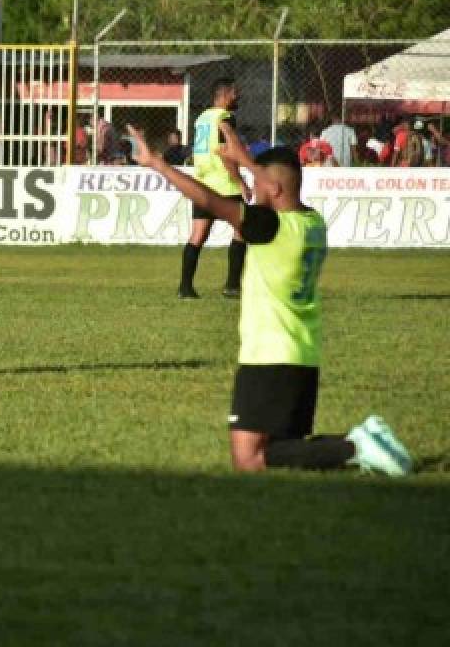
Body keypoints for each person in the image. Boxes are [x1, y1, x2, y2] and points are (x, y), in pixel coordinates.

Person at [126, 121, 413, 476]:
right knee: (278, 450)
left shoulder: (270, 228)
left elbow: (209, 201)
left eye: (258, 183)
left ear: (273, 189)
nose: (250, 189)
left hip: (269, 356)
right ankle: (365, 440)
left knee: (249, 458)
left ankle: (356, 446)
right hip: (302, 354)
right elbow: (275, 183)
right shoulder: (312, 223)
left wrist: (158, 164)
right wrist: (246, 161)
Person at [178, 78, 250, 300]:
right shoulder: (224, 117)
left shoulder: (202, 119)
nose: (237, 97)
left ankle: (185, 287)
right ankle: (232, 285)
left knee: (197, 235)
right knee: (242, 230)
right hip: (224, 183)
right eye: (235, 93)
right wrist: (240, 181)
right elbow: (225, 151)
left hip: (202, 183)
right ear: (226, 95)